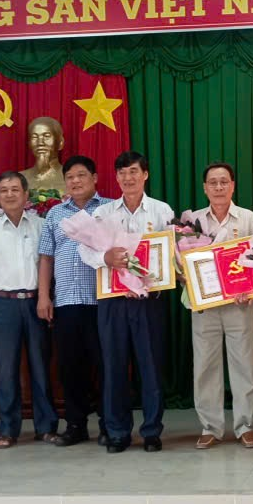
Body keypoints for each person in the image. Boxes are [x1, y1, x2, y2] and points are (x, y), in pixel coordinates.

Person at [80, 151, 175, 453]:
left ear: (145, 175)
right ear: (116, 177)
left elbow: (172, 252)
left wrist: (151, 280)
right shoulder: (103, 213)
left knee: (151, 365)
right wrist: (104, 257)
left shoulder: (161, 210)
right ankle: (118, 432)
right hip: (113, 300)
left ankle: (151, 431)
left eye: (133, 171)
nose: (128, 177)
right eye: (122, 172)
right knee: (114, 365)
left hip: (150, 300)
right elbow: (85, 250)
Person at [183, 162, 253, 449]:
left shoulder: (249, 219)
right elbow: (181, 263)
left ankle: (245, 425)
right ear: (205, 188)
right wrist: (186, 276)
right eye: (213, 182)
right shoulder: (192, 221)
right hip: (205, 306)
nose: (218, 187)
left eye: (224, 181)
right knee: (205, 365)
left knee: (245, 364)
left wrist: (251, 288)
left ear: (233, 185)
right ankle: (210, 427)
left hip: (240, 304)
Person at [0, 171, 59, 448]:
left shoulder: (41, 226)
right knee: (6, 369)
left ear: (26, 195)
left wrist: (46, 298)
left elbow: (48, 265)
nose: (9, 194)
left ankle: (46, 426)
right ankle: (8, 429)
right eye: (4, 190)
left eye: (15, 189)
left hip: (36, 302)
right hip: (3, 304)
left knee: (40, 366)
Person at [37, 155, 110, 446]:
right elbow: (46, 257)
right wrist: (44, 296)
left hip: (102, 301)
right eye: (70, 177)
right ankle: (76, 425)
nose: (75, 181)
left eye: (81, 175)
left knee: (105, 365)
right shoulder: (55, 214)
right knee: (70, 367)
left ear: (95, 178)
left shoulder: (108, 209)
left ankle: (109, 424)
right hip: (66, 302)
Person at [21, 117, 66, 192]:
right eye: (34, 137)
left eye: (46, 136)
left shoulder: (71, 178)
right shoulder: (19, 179)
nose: (40, 142)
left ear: (60, 143)